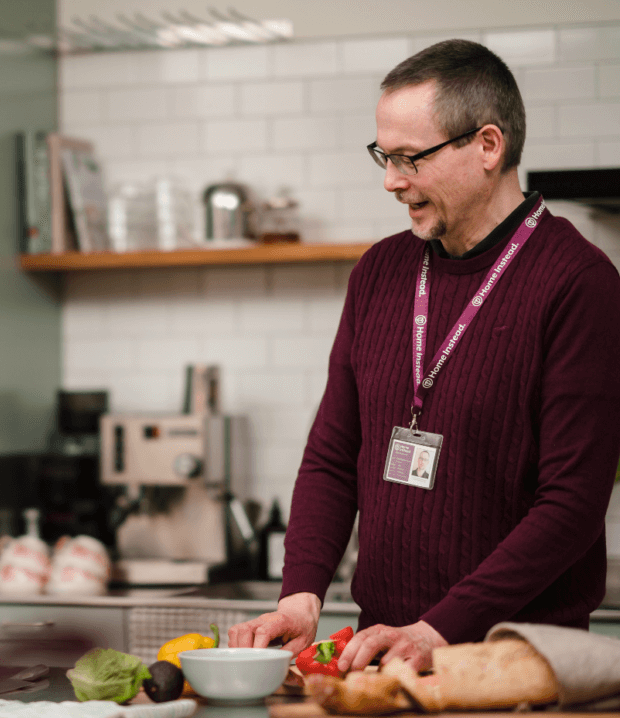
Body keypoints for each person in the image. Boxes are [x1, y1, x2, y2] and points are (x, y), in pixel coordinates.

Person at [229, 39, 620, 674]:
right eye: (384, 156)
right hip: (383, 657)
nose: (391, 180)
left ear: (488, 146)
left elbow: (571, 506)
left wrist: (438, 629)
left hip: (511, 666)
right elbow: (333, 458)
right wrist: (301, 596)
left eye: (411, 158)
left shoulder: (580, 283)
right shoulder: (380, 272)